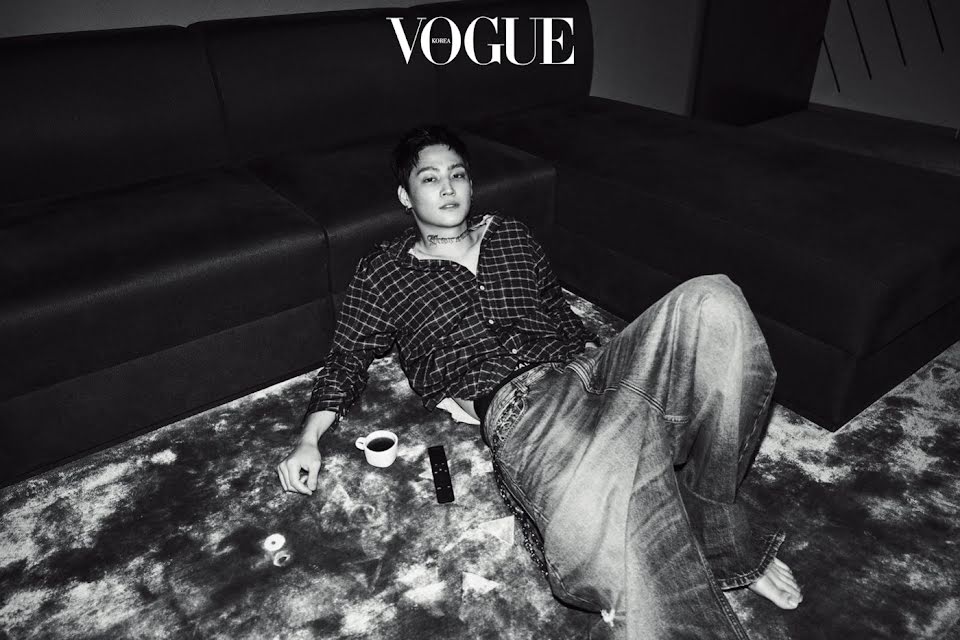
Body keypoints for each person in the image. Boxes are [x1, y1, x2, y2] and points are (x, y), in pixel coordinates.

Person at [277, 125, 802, 638]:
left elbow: (559, 311)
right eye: (430, 178)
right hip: (520, 406)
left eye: (457, 174)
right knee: (606, 519)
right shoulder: (384, 272)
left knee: (714, 298)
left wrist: (617, 365)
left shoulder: (511, 235)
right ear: (405, 196)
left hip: (591, 370)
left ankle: (715, 527)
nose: (448, 187)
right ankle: (681, 525)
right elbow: (346, 358)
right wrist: (308, 439)